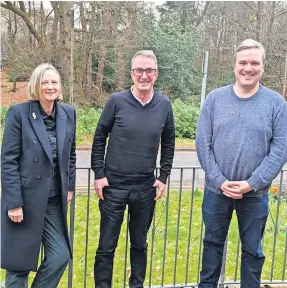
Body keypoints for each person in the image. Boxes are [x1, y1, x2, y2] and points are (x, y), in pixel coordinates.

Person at [196, 39, 287, 288]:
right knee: (212, 248)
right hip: (217, 193)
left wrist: (252, 183)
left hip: (255, 196)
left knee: (252, 252)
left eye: (254, 63)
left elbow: (280, 150)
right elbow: (203, 144)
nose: (248, 68)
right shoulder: (215, 100)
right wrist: (219, 180)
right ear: (234, 66)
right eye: (243, 62)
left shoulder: (277, 104)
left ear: (263, 68)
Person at [91, 50, 175, 288]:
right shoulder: (116, 101)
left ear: (156, 75)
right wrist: (99, 174)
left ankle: (136, 285)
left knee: (139, 244)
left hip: (145, 188)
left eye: (148, 70)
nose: (144, 75)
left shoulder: (164, 105)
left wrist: (163, 177)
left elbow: (168, 142)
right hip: (113, 187)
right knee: (106, 246)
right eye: (139, 70)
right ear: (132, 73)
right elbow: (99, 138)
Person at [1, 63, 76, 287]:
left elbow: (70, 154)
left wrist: (69, 186)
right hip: (24, 200)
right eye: (45, 82)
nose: (50, 87)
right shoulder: (19, 114)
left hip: (53, 201)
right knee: (19, 265)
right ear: (36, 85)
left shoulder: (68, 113)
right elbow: (8, 160)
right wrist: (14, 202)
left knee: (60, 256)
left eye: (54, 82)